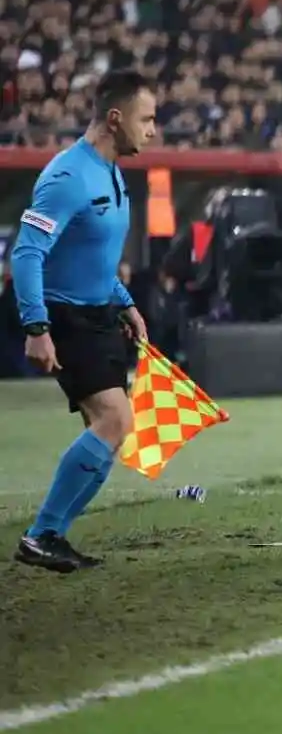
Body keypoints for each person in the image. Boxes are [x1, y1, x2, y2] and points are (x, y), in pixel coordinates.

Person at [10, 69, 155, 573]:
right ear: (115, 119)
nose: (152, 130)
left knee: (111, 426)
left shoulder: (113, 171)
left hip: (99, 315)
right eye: (147, 119)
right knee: (115, 419)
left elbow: (92, 258)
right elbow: (26, 255)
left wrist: (125, 301)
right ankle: (40, 535)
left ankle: (49, 536)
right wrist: (36, 326)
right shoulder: (67, 176)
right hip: (65, 318)